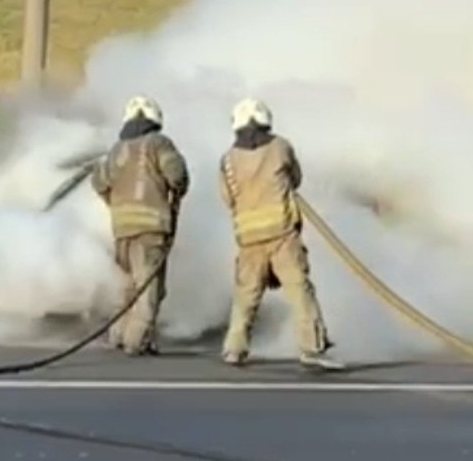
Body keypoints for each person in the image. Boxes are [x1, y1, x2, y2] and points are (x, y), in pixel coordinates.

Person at [217, 98, 342, 369]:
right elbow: (295, 178)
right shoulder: (280, 147)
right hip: (283, 234)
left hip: (249, 239)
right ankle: (312, 347)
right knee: (299, 290)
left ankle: (234, 349)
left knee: (246, 296)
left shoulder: (227, 160)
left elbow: (227, 198)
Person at [91, 95, 189, 356]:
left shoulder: (116, 150)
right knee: (148, 288)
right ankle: (137, 341)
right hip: (150, 231)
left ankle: (118, 335)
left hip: (122, 232)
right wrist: (177, 190)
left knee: (126, 287)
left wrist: (114, 205)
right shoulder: (159, 143)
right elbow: (176, 174)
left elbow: (99, 182)